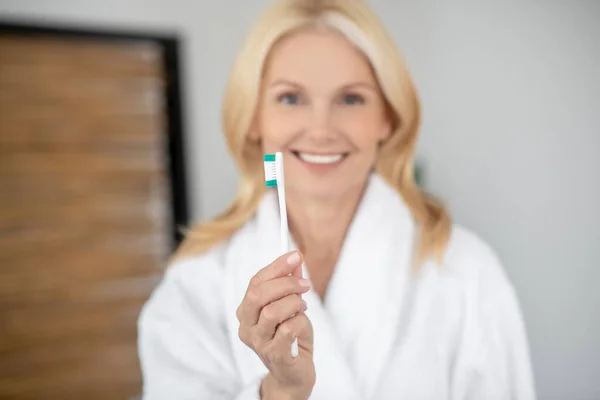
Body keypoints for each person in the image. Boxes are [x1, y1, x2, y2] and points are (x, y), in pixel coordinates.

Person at [137, 0, 536, 399]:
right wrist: (280, 392)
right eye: (291, 98)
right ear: (255, 116)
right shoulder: (196, 284)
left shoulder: (466, 271)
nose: (321, 130)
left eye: (351, 99)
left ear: (388, 118)